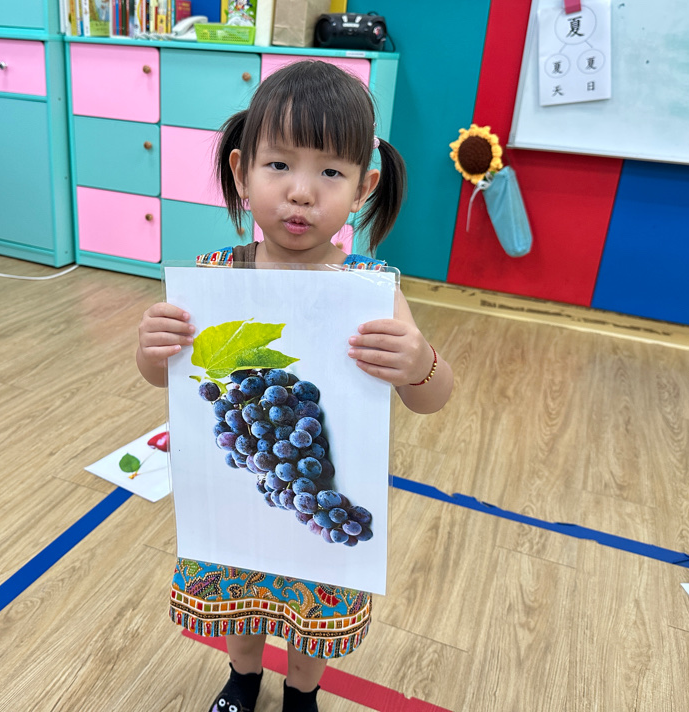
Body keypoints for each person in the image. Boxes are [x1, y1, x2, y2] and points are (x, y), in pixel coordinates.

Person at [136, 61, 453, 712]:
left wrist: (419, 360)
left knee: (309, 615)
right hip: (239, 501)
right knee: (244, 605)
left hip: (320, 500)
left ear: (363, 188)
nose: (301, 192)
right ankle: (243, 678)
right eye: (278, 165)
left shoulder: (370, 289)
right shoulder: (213, 279)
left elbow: (432, 397)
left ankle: (301, 693)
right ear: (241, 172)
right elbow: (167, 378)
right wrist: (152, 348)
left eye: (330, 172)